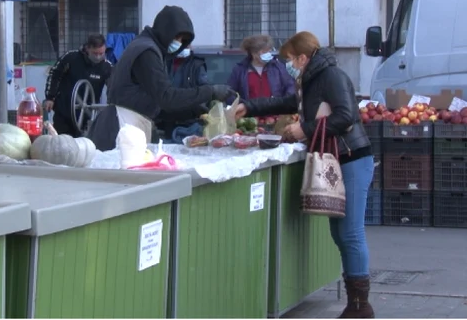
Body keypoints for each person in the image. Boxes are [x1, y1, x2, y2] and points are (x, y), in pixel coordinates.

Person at [234, 31, 375, 319]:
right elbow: (287, 103)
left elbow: (346, 116)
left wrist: (305, 129)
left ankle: (361, 307)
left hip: (352, 159)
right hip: (339, 159)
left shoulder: (331, 76)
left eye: (289, 59)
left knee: (350, 233)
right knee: (339, 232)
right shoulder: (310, 78)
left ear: (303, 57)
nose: (287, 65)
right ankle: (354, 303)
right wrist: (250, 107)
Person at [87, 5, 235, 151]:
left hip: (130, 125)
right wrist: (210, 92)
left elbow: (158, 104)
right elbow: (166, 97)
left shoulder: (149, 48)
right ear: (166, 30)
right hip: (120, 127)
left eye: (182, 40)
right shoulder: (147, 52)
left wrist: (194, 110)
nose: (178, 43)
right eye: (176, 37)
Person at [44, 33, 111, 137]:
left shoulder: (106, 67)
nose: (98, 57)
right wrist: (50, 97)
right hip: (63, 112)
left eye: (101, 53)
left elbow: (113, 87)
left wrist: (113, 106)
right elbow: (55, 74)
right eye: (95, 53)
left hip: (87, 116)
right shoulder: (71, 58)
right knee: (61, 144)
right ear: (87, 48)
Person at [158, 45, 210, 142]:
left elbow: (204, 93)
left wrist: (197, 109)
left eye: (186, 42)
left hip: (189, 124)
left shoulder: (196, 64)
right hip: (167, 123)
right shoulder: (165, 62)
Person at [226, 34, 295, 101]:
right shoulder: (240, 70)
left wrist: (283, 103)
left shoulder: (277, 67)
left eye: (269, 51)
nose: (268, 54)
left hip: (275, 110)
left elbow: (290, 86)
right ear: (254, 53)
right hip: (250, 111)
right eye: (264, 52)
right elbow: (230, 93)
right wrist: (242, 105)